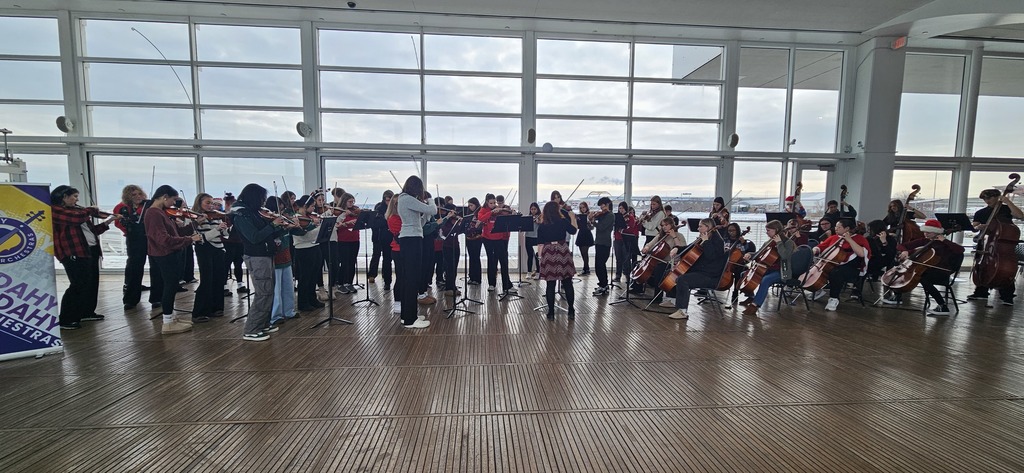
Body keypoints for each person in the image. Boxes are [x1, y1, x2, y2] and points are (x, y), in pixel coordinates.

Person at [50, 185, 121, 330]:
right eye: (74, 196)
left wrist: (108, 222)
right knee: (77, 284)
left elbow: (92, 231)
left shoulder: (78, 211)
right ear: (64, 197)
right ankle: (66, 318)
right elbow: (76, 218)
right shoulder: (56, 210)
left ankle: (86, 312)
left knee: (91, 283)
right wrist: (90, 209)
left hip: (89, 250)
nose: (77, 199)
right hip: (72, 252)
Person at [233, 183, 289, 341]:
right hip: (256, 256)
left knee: (269, 291)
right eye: (262, 198)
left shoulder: (254, 213)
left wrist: (284, 228)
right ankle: (251, 329)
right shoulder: (241, 215)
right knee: (263, 292)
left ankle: (263, 324)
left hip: (266, 254)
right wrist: (273, 224)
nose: (264, 202)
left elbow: (267, 233)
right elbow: (254, 237)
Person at [144, 185, 203, 334]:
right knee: (169, 287)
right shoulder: (154, 213)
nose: (174, 204)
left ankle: (170, 318)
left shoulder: (161, 213)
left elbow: (176, 233)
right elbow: (163, 239)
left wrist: (195, 225)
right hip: (164, 254)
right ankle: (168, 323)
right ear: (164, 196)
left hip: (168, 253)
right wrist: (189, 239)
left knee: (171, 286)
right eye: (173, 200)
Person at [888, 219, 965, 316]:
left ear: (937, 232)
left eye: (929, 232)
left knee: (923, 278)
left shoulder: (944, 244)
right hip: (927, 269)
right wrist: (905, 251)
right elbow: (901, 246)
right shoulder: (924, 241)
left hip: (941, 272)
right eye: (925, 232)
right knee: (903, 272)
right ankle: (897, 296)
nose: (926, 234)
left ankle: (942, 306)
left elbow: (961, 250)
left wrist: (944, 240)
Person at [967, 188, 1024, 305]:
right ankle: (981, 291)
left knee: (1003, 268)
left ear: (997, 196)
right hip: (986, 243)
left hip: (1001, 246)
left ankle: (1007, 295)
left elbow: (1020, 216)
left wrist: (1008, 202)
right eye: (984, 199)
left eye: (989, 198)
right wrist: (978, 227)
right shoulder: (981, 212)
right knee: (983, 265)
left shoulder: (1006, 209)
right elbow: (974, 226)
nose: (986, 201)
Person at [396, 175, 436, 328]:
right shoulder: (406, 198)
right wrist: (429, 199)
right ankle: (410, 320)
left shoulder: (406, 199)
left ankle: (407, 314)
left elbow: (420, 221)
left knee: (409, 278)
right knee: (411, 279)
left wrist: (425, 211)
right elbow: (433, 209)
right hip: (411, 240)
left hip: (411, 238)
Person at [666, 218, 726, 320]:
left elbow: (711, 257)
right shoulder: (702, 238)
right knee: (672, 272)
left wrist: (706, 242)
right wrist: (677, 248)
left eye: (700, 226)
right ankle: (672, 300)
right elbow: (688, 248)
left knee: (682, 280)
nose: (698, 229)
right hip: (701, 271)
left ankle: (682, 311)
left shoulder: (718, 241)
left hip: (710, 276)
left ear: (708, 227)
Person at [811, 218, 870, 311]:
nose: (836, 229)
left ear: (847, 228)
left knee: (836, 273)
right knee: (819, 269)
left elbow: (862, 254)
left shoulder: (860, 239)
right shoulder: (834, 237)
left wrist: (849, 240)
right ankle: (817, 289)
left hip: (851, 267)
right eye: (836, 226)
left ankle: (834, 299)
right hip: (833, 264)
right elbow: (820, 247)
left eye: (839, 227)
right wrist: (815, 250)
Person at [740, 220, 796, 316]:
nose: (767, 232)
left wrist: (779, 243)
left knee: (766, 280)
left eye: (769, 230)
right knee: (744, 274)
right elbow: (758, 254)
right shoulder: (768, 242)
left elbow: (785, 256)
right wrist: (750, 254)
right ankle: (751, 296)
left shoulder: (788, 242)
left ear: (776, 230)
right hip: (767, 269)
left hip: (781, 271)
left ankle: (755, 305)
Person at [537, 200, 579, 320]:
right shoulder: (562, 221)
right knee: (567, 282)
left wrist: (541, 258)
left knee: (550, 284)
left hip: (548, 251)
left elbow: (540, 244)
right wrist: (572, 217)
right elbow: (574, 230)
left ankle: (551, 312)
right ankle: (571, 310)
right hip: (562, 250)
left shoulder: (542, 225)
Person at [190, 193, 229, 321]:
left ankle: (216, 307)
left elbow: (225, 235)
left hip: (219, 249)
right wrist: (217, 229)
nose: (211, 205)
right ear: (199, 203)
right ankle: (199, 311)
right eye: (207, 203)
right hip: (204, 249)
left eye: (212, 203)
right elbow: (203, 238)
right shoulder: (196, 218)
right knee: (207, 279)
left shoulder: (216, 216)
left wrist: (224, 228)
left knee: (218, 279)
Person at [635, 218, 686, 305]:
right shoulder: (660, 235)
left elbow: (682, 248)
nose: (664, 227)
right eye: (662, 225)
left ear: (672, 225)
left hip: (670, 263)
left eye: (666, 225)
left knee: (658, 269)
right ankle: (637, 288)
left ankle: (657, 297)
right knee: (638, 265)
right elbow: (650, 244)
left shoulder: (679, 235)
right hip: (659, 260)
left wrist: (674, 236)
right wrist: (646, 248)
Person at [114, 184, 149, 310]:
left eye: (139, 194)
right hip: (134, 239)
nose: (138, 197)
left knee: (156, 266)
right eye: (134, 195)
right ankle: (130, 299)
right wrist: (129, 230)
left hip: (149, 238)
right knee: (134, 267)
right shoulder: (121, 207)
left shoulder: (147, 206)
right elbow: (118, 222)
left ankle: (157, 298)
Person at [292, 195, 325, 312]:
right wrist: (316, 226)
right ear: (304, 206)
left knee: (314, 275)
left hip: (315, 247)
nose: (313, 209)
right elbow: (305, 236)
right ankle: (303, 302)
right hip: (304, 249)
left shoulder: (310, 217)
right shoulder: (296, 218)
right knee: (305, 277)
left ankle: (312, 298)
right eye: (312, 206)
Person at [479, 193, 514, 294]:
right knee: (491, 260)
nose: (493, 204)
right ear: (486, 202)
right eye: (491, 203)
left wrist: (508, 211)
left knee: (503, 261)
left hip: (499, 238)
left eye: (494, 202)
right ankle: (491, 284)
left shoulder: (499, 210)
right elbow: (481, 218)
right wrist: (491, 212)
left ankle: (507, 285)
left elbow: (508, 216)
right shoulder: (483, 210)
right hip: (487, 239)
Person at [333, 192, 360, 294]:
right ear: (344, 201)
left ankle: (349, 282)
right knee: (344, 262)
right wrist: (346, 222)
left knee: (352, 261)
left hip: (355, 238)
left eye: (353, 201)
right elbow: (336, 225)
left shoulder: (355, 210)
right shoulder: (339, 212)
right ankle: (341, 283)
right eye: (349, 201)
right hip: (343, 239)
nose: (352, 204)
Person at [367, 190, 394, 289]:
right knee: (376, 255)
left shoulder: (394, 208)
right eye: (387, 200)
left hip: (388, 237)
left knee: (387, 259)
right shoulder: (379, 208)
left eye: (390, 200)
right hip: (378, 236)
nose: (388, 202)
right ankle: (372, 274)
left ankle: (387, 280)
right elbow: (376, 224)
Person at [222, 192, 247, 295]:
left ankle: (240, 284)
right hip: (228, 243)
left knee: (239, 264)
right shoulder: (224, 216)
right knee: (226, 264)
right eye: (228, 204)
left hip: (239, 242)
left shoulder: (238, 215)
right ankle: (224, 286)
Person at [590, 197, 615, 296]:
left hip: (605, 243)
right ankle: (602, 284)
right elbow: (594, 226)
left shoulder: (610, 215)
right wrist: (591, 219)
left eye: (603, 205)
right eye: (600, 205)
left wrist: (593, 222)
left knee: (600, 265)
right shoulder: (601, 215)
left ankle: (604, 285)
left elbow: (602, 227)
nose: (601, 207)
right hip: (599, 242)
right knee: (598, 265)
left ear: (608, 204)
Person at [464, 198, 484, 285]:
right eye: (469, 205)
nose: (470, 207)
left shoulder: (480, 213)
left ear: (476, 204)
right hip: (468, 238)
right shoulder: (468, 213)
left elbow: (480, 227)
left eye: (471, 205)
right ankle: (471, 277)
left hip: (477, 238)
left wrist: (476, 225)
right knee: (471, 257)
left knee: (476, 257)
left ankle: (477, 278)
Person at [612, 201, 634, 282]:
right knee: (618, 258)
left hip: (625, 240)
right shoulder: (617, 217)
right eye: (619, 208)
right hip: (617, 239)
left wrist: (622, 229)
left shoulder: (630, 217)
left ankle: (628, 275)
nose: (621, 210)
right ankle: (618, 275)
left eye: (622, 208)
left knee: (626, 258)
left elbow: (631, 228)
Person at [575, 202, 594, 275]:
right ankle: (586, 268)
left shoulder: (590, 215)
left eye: (583, 207)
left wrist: (590, 220)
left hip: (587, 234)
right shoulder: (579, 216)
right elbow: (578, 226)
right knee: (582, 253)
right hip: (581, 234)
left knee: (585, 252)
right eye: (581, 208)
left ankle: (586, 269)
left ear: (586, 207)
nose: (582, 209)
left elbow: (592, 227)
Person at [524, 202, 541, 277]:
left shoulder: (540, 217)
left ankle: (538, 273)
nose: (533, 211)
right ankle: (529, 272)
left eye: (535, 209)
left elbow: (543, 226)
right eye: (532, 209)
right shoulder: (528, 217)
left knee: (537, 256)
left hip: (537, 238)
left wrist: (539, 222)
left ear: (537, 209)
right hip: (528, 237)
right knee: (530, 256)